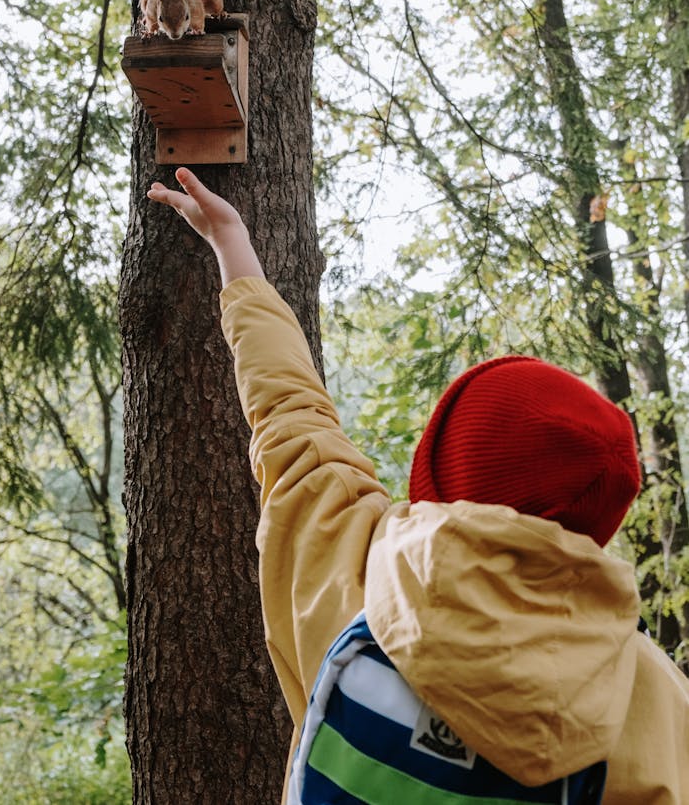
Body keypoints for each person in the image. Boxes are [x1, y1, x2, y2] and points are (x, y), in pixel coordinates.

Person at [148, 167, 689, 804]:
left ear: (440, 477)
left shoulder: (357, 569)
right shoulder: (649, 693)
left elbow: (291, 416)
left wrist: (232, 248)